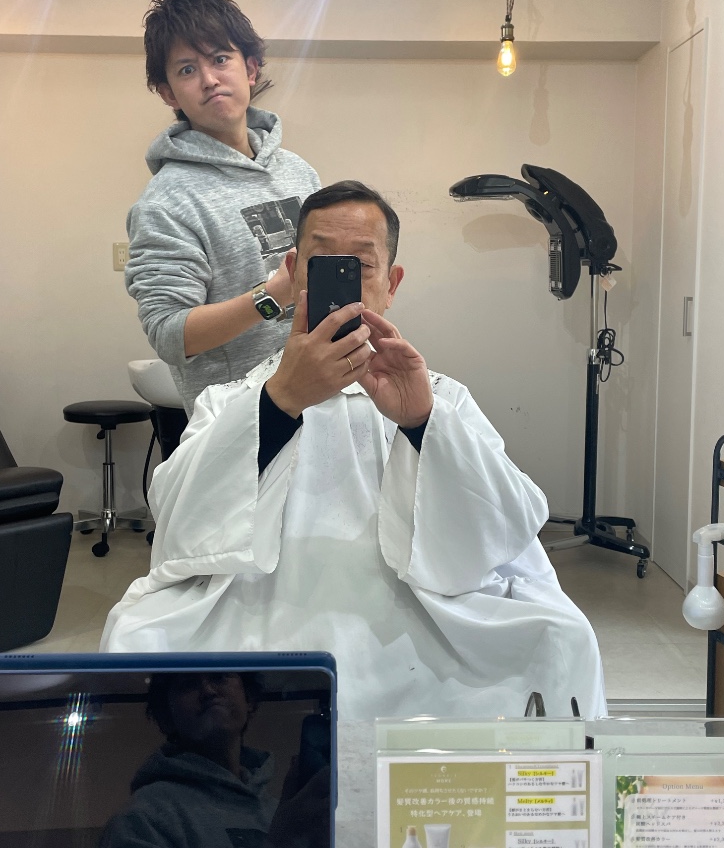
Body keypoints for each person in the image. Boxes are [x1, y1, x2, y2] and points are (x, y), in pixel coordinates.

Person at [103, 181, 606, 721]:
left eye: (362, 266)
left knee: (560, 637)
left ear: (391, 283)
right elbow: (177, 517)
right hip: (259, 600)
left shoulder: (440, 395)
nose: (343, 280)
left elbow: (507, 523)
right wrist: (279, 404)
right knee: (137, 636)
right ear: (294, 273)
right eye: (322, 263)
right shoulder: (232, 400)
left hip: (421, 603)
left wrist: (422, 422)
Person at [126, 0, 320, 414]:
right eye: (187, 69)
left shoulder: (299, 172)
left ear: (250, 68)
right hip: (241, 424)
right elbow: (169, 334)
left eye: (219, 59)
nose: (210, 79)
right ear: (169, 93)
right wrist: (273, 294)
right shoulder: (164, 203)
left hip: (327, 401)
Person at [99, 672, 329, 848]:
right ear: (166, 716)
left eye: (219, 677)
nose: (208, 691)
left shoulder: (278, 811)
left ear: (248, 699)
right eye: (188, 683)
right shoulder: (141, 819)